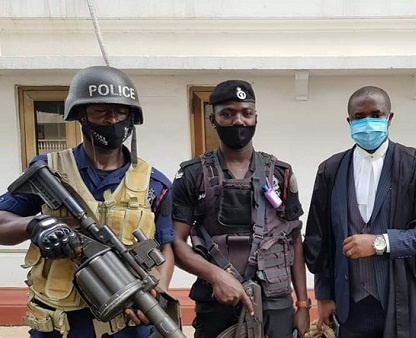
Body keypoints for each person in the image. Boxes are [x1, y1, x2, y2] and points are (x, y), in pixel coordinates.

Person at [0, 65, 175, 337]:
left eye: (120, 111)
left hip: (127, 325)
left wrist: (156, 294)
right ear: (81, 116)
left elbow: (166, 247)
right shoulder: (50, 170)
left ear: (132, 117)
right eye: (100, 111)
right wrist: (34, 226)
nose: (112, 119)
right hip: (60, 326)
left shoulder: (155, 183)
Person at [303, 86, 416, 338]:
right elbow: (318, 239)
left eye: (376, 115)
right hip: (351, 306)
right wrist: (323, 295)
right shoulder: (331, 171)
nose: (368, 123)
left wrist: (382, 243)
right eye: (359, 117)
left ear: (389, 118)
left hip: (406, 302)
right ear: (349, 121)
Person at [171, 80, 310, 338]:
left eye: (246, 113)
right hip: (217, 300)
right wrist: (215, 276)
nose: (238, 121)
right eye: (228, 113)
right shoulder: (192, 174)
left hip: (275, 302)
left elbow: (294, 239)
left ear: (256, 117)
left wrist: (302, 304)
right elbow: (175, 242)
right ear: (213, 119)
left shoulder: (281, 173)